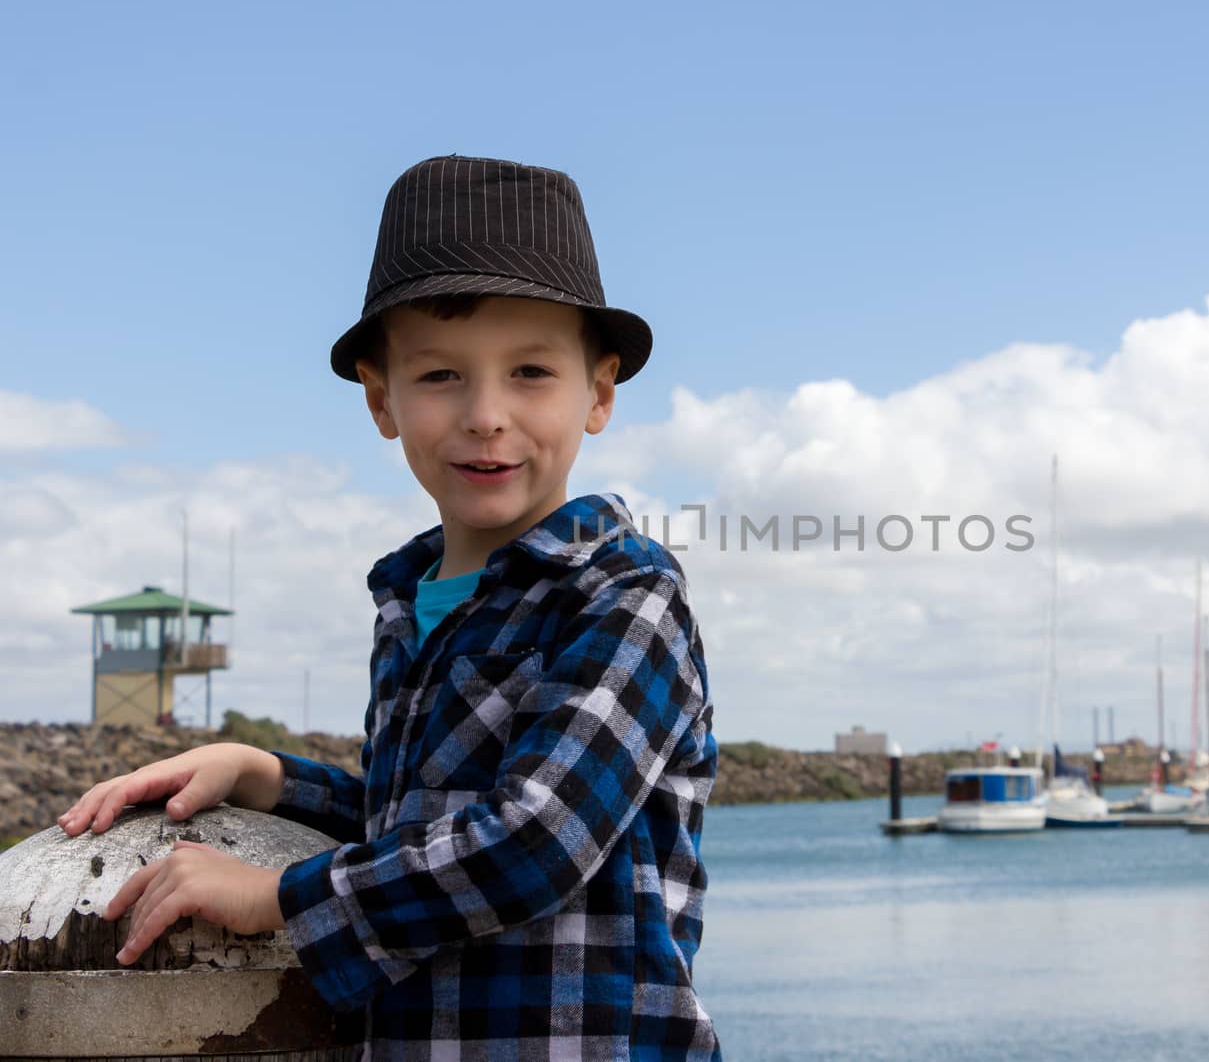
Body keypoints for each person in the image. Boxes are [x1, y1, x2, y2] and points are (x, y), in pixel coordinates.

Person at [55, 156, 720, 1061]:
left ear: (598, 392)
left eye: (531, 371)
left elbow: (535, 837)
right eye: (442, 375)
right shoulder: (409, 602)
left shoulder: (625, 593)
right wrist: (270, 776)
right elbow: (423, 821)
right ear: (382, 397)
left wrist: (279, 893)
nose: (487, 414)